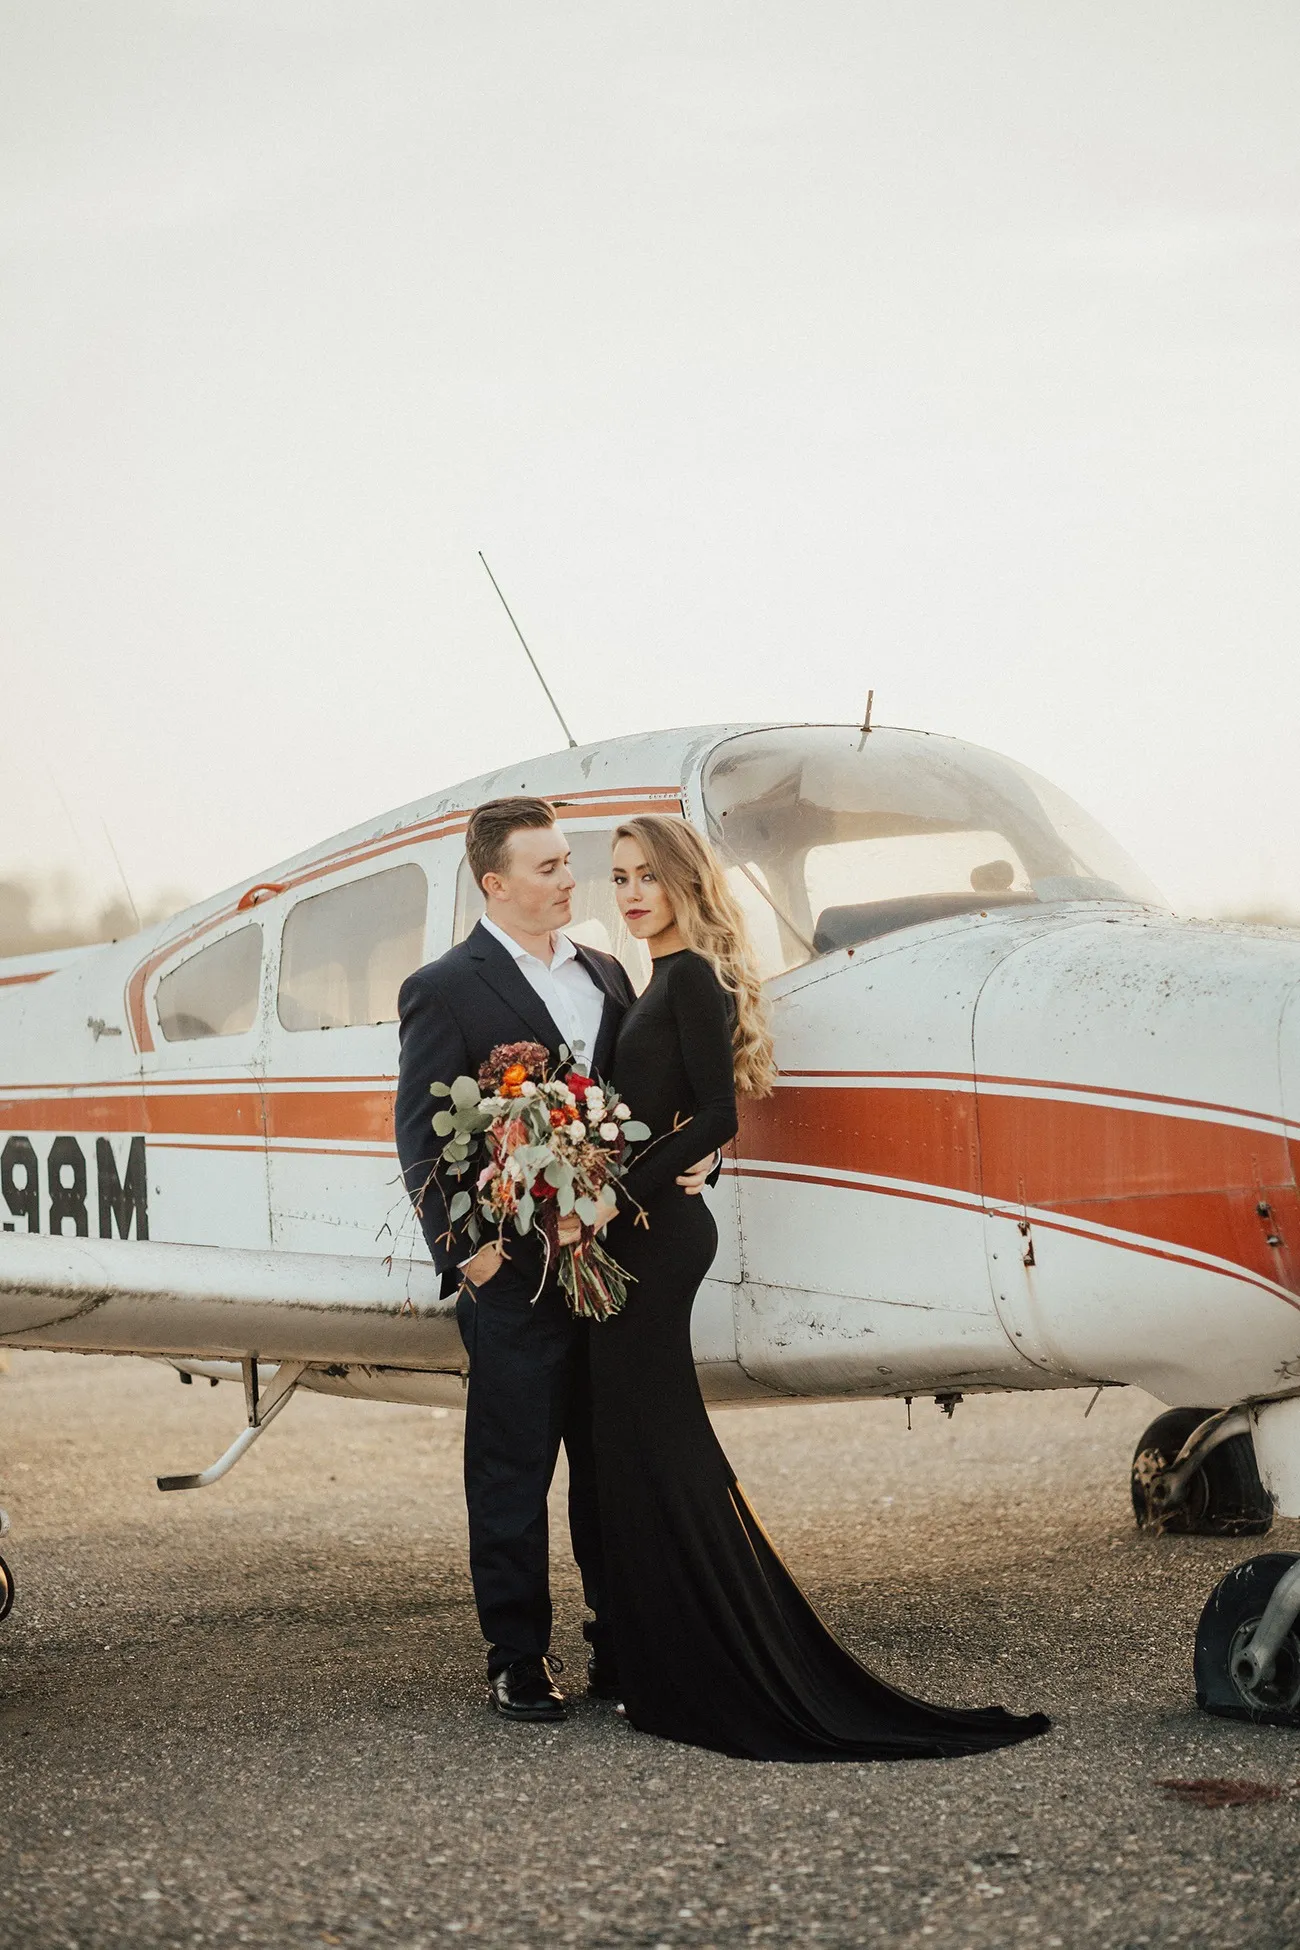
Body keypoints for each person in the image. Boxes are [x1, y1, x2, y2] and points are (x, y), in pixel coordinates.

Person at [587, 813, 1051, 1761]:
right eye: (620, 877)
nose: (632, 893)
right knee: (629, 1444)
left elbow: (718, 1112)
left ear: (684, 882)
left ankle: (704, 1662)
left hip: (656, 1238)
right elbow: (676, 1120)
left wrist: (610, 1197)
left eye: (648, 876)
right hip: (635, 1228)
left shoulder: (694, 979)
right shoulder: (652, 978)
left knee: (657, 1441)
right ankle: (649, 1658)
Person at [393, 796, 716, 1724]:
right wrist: (471, 1260)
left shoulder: (612, 972)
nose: (572, 880)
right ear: (495, 883)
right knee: (512, 1470)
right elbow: (421, 1141)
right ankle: (518, 1657)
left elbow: (655, 1100)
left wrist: (704, 1154)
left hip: (618, 1268)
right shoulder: (445, 987)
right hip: (518, 1275)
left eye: (571, 863)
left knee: (610, 1462)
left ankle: (619, 1643)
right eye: (548, 868)